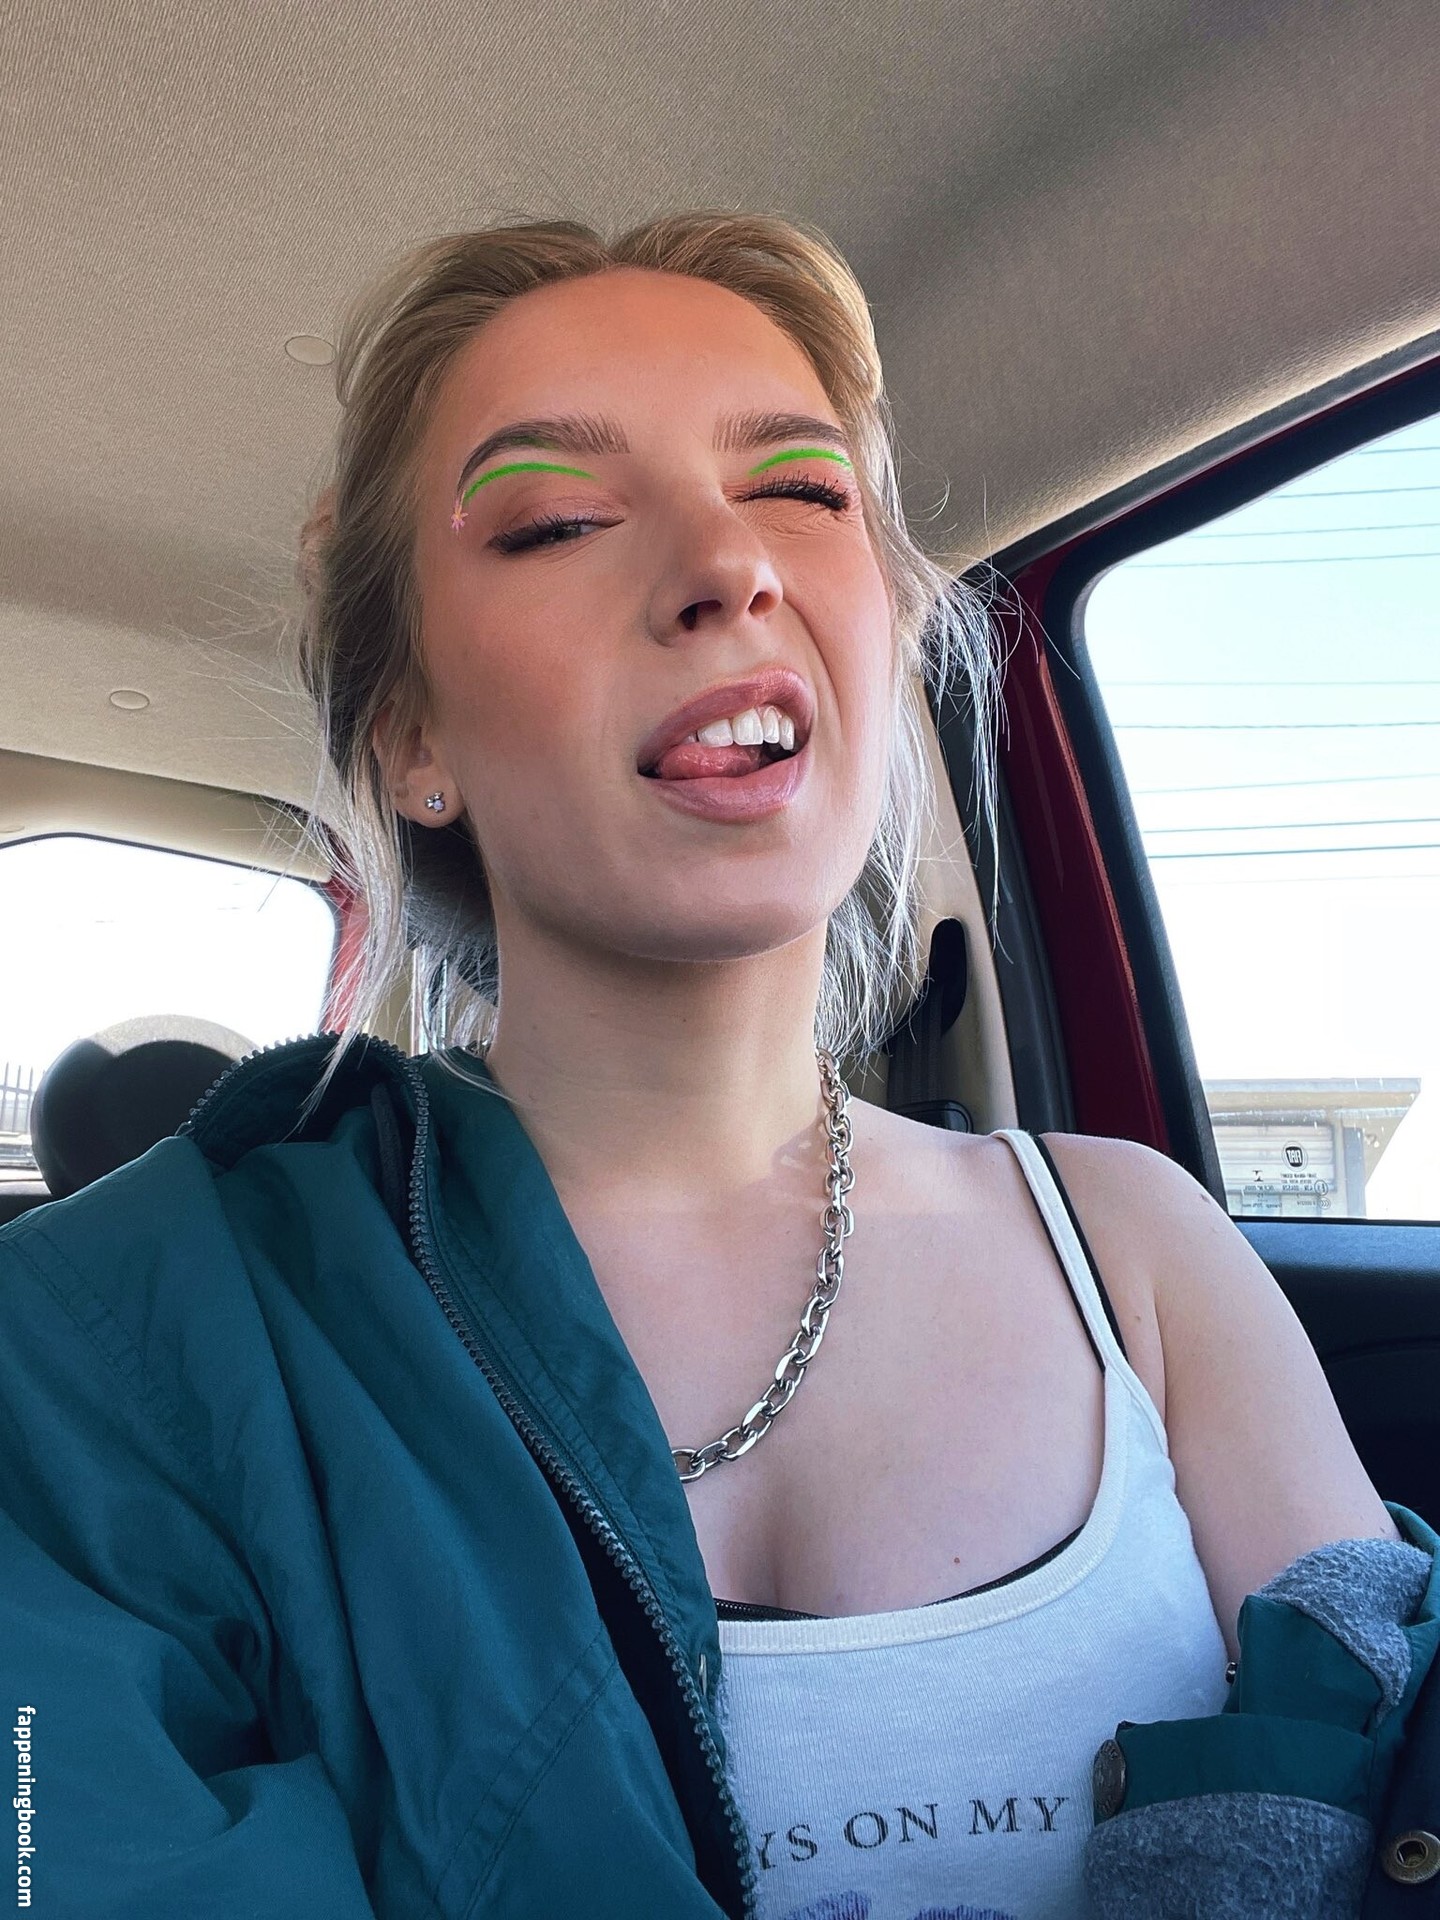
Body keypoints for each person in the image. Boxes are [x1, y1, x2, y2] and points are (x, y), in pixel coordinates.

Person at [1, 210, 1433, 1920]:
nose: (726, 562)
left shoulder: (1141, 1247)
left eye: (804, 492)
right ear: (412, 737)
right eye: (554, 520)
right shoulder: (107, 1340)